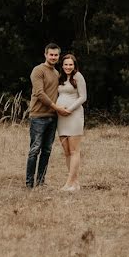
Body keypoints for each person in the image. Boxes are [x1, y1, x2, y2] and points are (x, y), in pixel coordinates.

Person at [25, 44, 70, 188]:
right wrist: (56, 107)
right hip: (38, 116)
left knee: (47, 150)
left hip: (53, 117)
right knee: (35, 150)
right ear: (45, 54)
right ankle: (29, 183)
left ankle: (41, 181)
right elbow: (39, 93)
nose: (53, 57)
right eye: (51, 54)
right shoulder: (38, 70)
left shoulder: (57, 73)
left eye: (56, 55)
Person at [55, 54, 87, 191]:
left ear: (74, 65)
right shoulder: (60, 78)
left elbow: (83, 97)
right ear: (62, 66)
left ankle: (69, 183)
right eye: (66, 64)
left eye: (70, 64)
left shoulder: (78, 76)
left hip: (74, 115)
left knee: (74, 150)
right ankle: (75, 183)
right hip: (61, 118)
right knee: (67, 151)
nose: (68, 67)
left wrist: (70, 109)